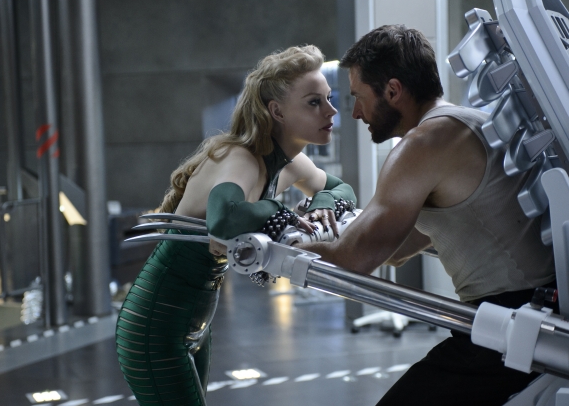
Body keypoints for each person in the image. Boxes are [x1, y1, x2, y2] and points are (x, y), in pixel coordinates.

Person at [301, 25, 556, 406]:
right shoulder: (472, 122)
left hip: (509, 326)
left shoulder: (421, 145)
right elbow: (397, 249)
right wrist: (345, 229)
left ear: (393, 91)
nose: (354, 112)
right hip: (532, 310)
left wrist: (285, 245)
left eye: (358, 97)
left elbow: (353, 260)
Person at [115, 45, 357, 406]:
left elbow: (341, 189)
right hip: (156, 324)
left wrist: (321, 204)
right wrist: (281, 210)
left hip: (195, 320)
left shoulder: (290, 162)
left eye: (328, 99)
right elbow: (224, 218)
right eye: (314, 102)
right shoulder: (242, 159)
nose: (331, 110)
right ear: (277, 111)